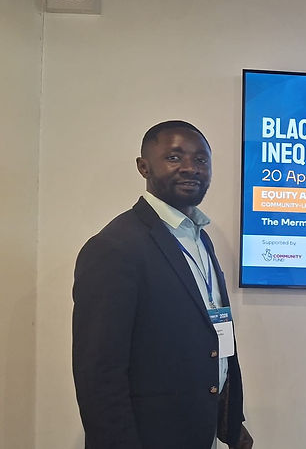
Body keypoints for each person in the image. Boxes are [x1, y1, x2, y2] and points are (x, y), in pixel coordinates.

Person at [72, 121, 253, 449]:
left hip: (202, 431)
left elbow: (214, 330)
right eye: (174, 158)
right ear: (144, 167)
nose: (191, 169)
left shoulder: (200, 237)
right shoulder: (115, 247)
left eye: (201, 160)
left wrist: (230, 419)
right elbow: (98, 375)